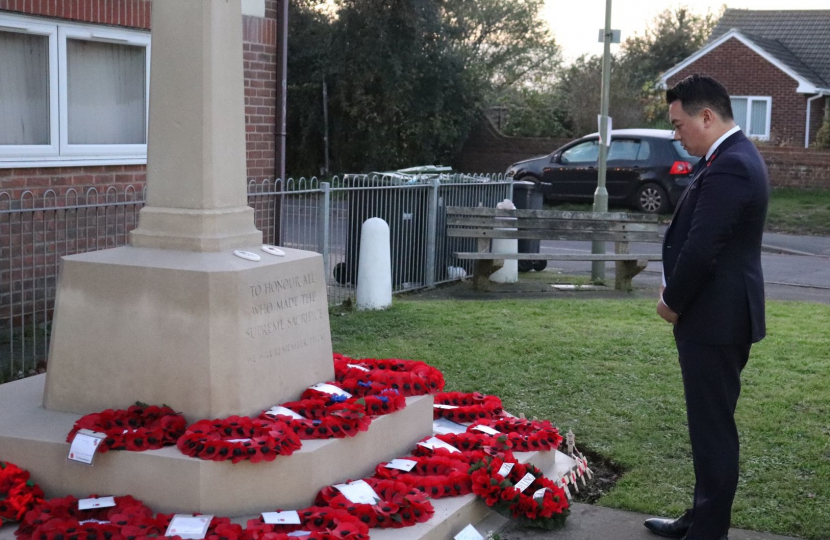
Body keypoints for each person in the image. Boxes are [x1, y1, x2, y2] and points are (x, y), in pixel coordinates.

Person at [645, 74, 769, 540]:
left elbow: (703, 248)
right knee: (708, 428)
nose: (677, 135)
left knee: (713, 431)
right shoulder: (728, 158)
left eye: (679, 125)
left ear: (707, 116)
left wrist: (671, 303)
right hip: (717, 316)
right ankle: (700, 517)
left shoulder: (732, 164)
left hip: (715, 319)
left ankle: (707, 532)